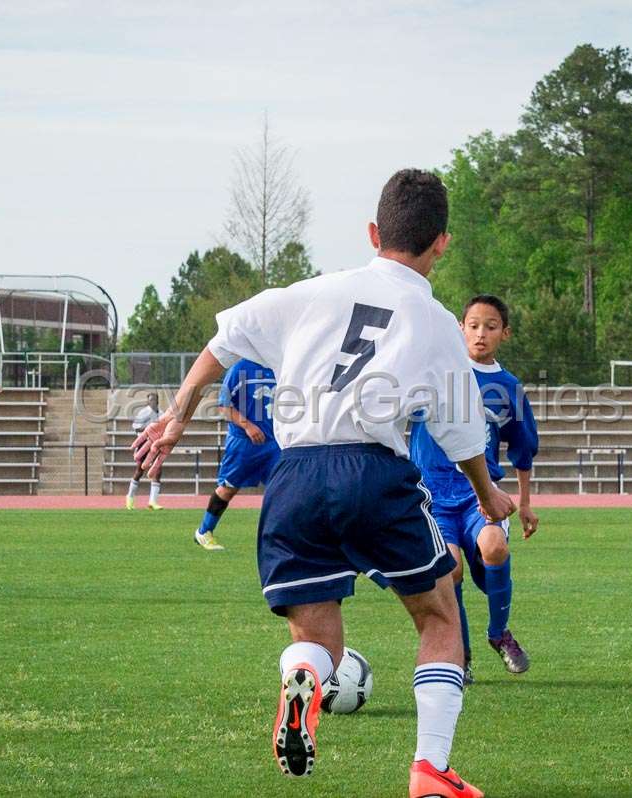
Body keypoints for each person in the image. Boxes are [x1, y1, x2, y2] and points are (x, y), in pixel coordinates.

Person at [133, 169, 514, 798]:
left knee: (318, 639)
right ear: (441, 242)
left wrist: (177, 417)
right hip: (373, 469)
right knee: (439, 614)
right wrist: (486, 493)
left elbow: (222, 344)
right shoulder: (437, 319)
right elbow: (461, 430)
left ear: (373, 232)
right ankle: (430, 771)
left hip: (295, 475)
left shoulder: (310, 292)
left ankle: (303, 677)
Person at [409, 294, 539, 683]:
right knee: (450, 570)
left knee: (494, 547)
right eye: (474, 325)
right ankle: (460, 656)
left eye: (491, 326)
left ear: (505, 334)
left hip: (479, 494)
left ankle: (498, 634)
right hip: (432, 494)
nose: (481, 334)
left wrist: (527, 504)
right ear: (460, 329)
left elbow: (523, 449)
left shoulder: (508, 387)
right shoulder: (432, 376)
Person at [190, 358, 279, 551]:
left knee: (284, 490)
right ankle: (204, 531)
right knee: (228, 489)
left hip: (275, 443)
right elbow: (224, 405)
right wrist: (247, 425)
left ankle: (279, 539)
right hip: (243, 444)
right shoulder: (240, 368)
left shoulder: (278, 364)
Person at [126, 392, 164, 510]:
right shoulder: (144, 412)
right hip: (144, 444)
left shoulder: (162, 413)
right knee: (139, 471)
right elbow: (136, 426)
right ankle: (130, 497)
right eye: (150, 400)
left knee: (157, 471)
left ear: (157, 401)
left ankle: (152, 502)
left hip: (156, 444)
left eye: (154, 399)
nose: (152, 402)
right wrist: (149, 429)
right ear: (147, 402)